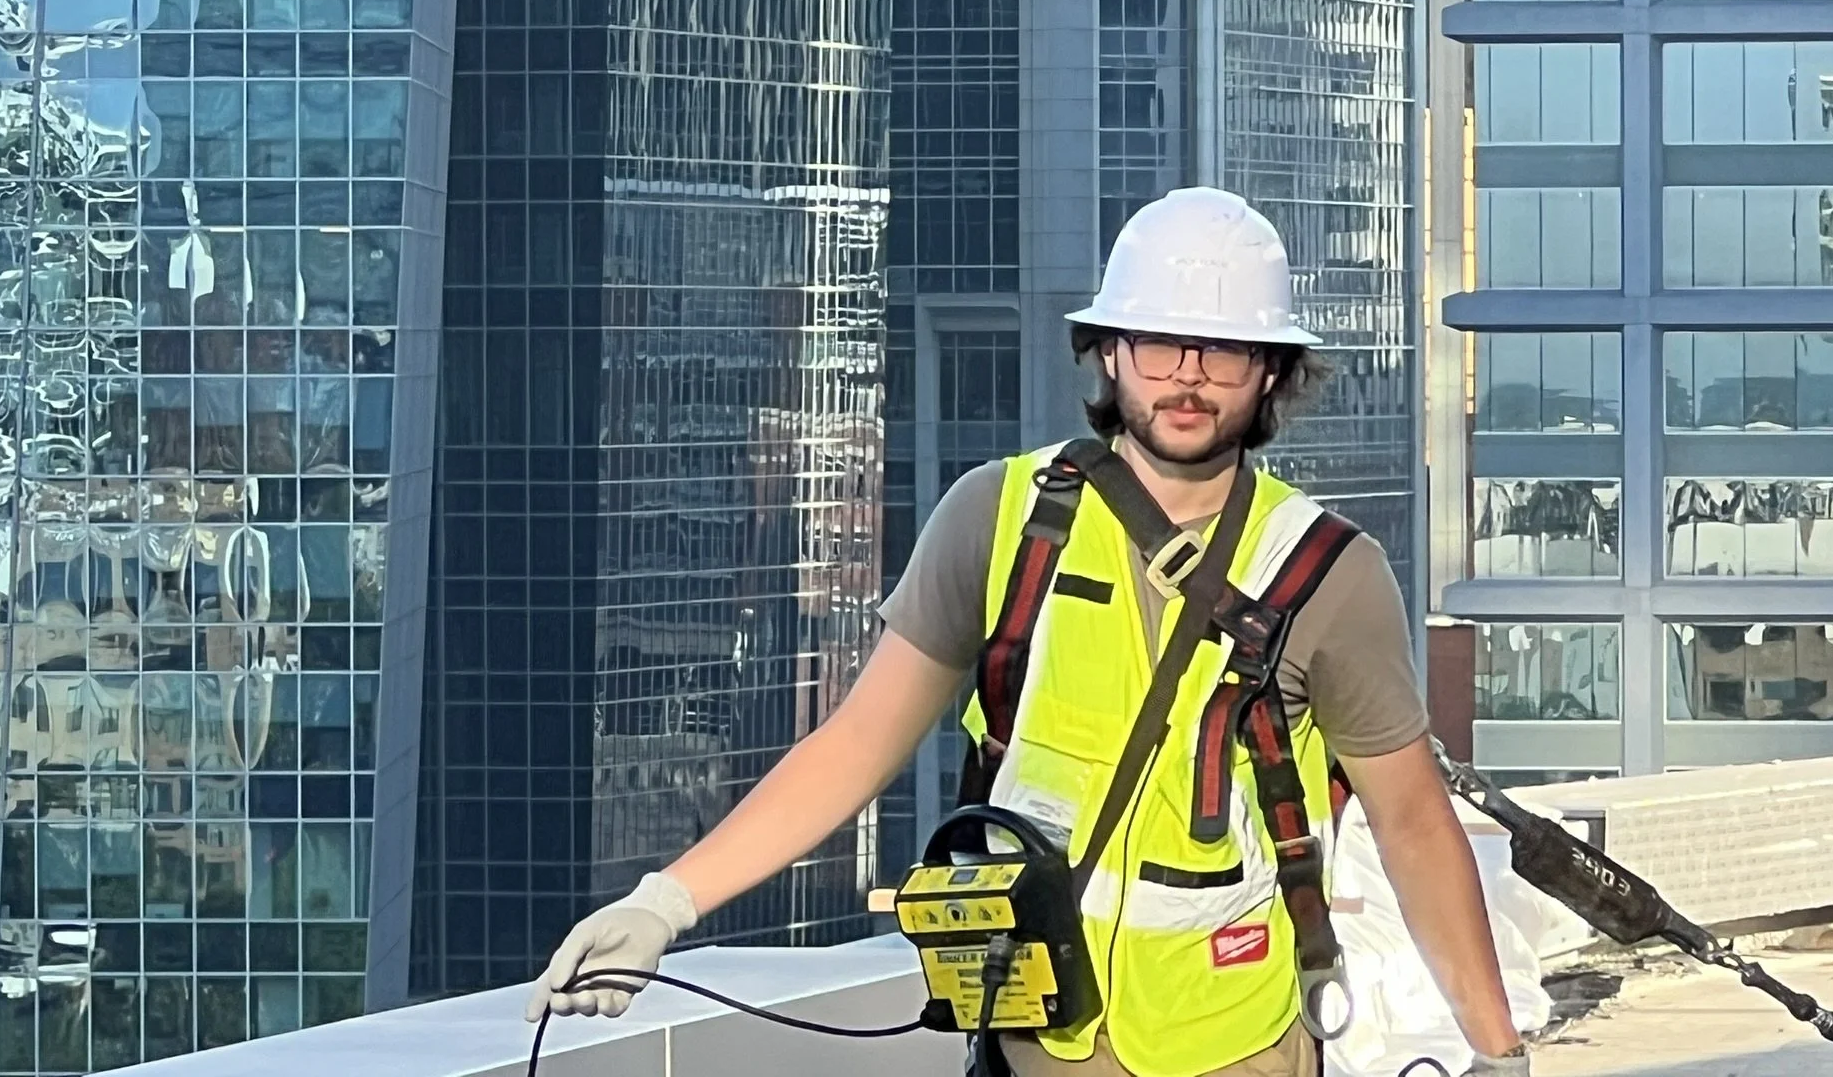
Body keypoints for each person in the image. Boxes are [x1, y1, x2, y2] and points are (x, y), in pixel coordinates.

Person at [528, 188, 1532, 1077]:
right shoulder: (1002, 519)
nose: (1187, 376)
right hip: (1035, 1040)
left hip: (1236, 1043)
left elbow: (1412, 822)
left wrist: (1496, 1052)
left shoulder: (1323, 572)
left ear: (1269, 372)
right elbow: (856, 743)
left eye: (1223, 349)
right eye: (1159, 343)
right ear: (1109, 352)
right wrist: (664, 903)